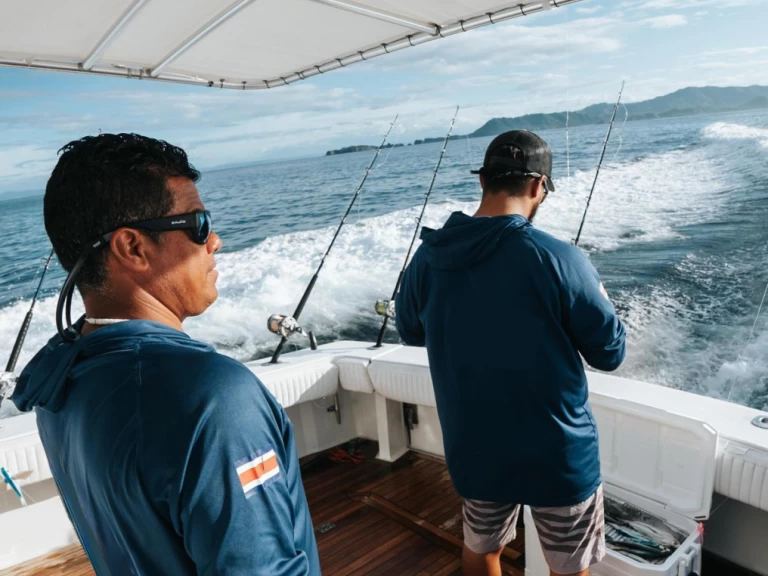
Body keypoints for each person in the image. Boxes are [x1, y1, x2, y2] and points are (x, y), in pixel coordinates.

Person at [12, 134, 320, 575]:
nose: (213, 240)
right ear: (133, 247)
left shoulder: (58, 382)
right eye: (197, 223)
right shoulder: (214, 397)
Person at [395, 130, 626, 576]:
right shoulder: (559, 257)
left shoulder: (426, 259)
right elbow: (609, 352)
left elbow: (410, 331)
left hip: (475, 448)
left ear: (482, 180)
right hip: (557, 455)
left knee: (481, 549)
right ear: (539, 186)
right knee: (568, 564)